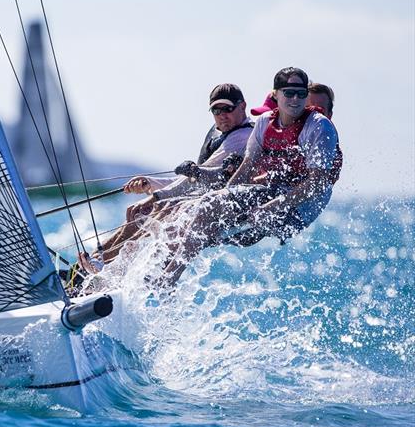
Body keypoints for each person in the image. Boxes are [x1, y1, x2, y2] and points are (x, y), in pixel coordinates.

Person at [160, 67, 340, 286]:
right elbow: (246, 169)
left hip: (300, 208)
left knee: (212, 208)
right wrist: (223, 196)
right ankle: (155, 277)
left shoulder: (319, 126)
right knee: (202, 219)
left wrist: (270, 208)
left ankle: (166, 280)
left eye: (301, 94)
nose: (295, 99)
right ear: (276, 94)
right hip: (270, 194)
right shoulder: (264, 122)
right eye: (289, 93)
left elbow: (317, 184)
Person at [79, 84, 254, 273]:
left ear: (242, 107)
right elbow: (194, 182)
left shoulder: (242, 136)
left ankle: (104, 266)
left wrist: (156, 196)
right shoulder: (220, 135)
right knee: (137, 212)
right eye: (216, 110)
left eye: (228, 109)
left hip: (221, 210)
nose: (222, 115)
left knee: (146, 212)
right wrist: (151, 183)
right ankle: (95, 262)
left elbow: (197, 178)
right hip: (198, 199)